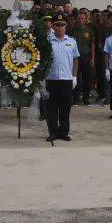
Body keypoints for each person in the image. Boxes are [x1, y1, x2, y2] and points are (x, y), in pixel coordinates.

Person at [45, 13, 79, 142]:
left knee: (65, 108)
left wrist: (74, 76)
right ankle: (53, 132)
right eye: (57, 26)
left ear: (65, 27)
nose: (60, 28)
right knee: (51, 108)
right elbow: (42, 60)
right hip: (51, 79)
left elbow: (75, 60)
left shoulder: (71, 41)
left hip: (66, 79)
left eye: (62, 25)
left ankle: (64, 132)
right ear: (53, 27)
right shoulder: (48, 42)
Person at [71, 8, 95, 106]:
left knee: (87, 78)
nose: (81, 20)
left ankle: (86, 99)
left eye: (83, 18)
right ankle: (76, 99)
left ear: (85, 20)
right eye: (79, 18)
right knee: (76, 78)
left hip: (87, 56)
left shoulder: (90, 30)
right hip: (76, 57)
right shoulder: (74, 30)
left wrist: (93, 58)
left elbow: (92, 45)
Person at [92, 9, 111, 105]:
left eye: (106, 15)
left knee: (108, 76)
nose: (103, 17)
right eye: (103, 15)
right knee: (100, 75)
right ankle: (101, 94)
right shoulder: (99, 27)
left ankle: (108, 96)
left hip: (111, 55)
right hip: (100, 55)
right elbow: (96, 41)